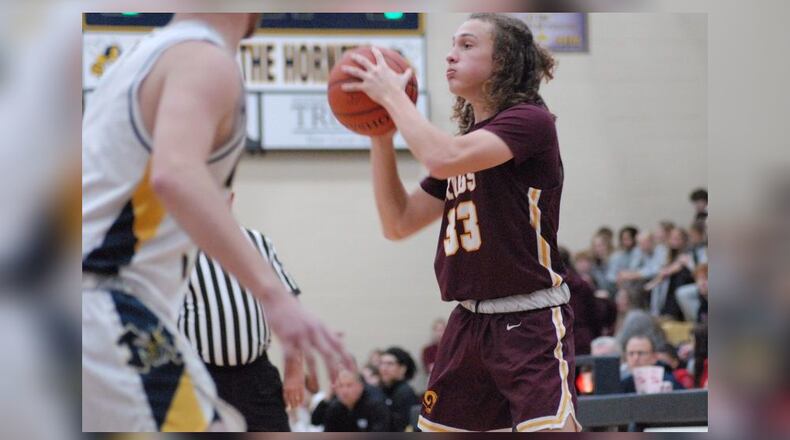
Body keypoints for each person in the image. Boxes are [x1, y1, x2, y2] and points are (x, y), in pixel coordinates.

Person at [82, 14, 350, 431]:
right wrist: (275, 299)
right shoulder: (204, 59)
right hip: (109, 311)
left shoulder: (138, 57)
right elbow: (175, 173)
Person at [342, 13, 579, 432]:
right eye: (451, 45)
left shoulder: (530, 122)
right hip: (467, 323)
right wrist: (379, 132)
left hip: (528, 320)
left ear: (503, 61)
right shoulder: (466, 146)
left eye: (467, 45)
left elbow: (442, 157)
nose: (451, 55)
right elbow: (398, 222)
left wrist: (394, 100)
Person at [178, 196, 305, 431]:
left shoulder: (258, 242)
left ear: (230, 198)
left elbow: (288, 307)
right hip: (200, 378)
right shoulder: (177, 248)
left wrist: (294, 371)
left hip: (255, 376)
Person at [323, 370, 391, 432]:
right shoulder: (335, 408)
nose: (344, 391)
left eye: (349, 385)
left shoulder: (375, 404)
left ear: (360, 387)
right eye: (340, 386)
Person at [620, 334, 684, 393]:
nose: (635, 358)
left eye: (641, 353)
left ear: (654, 357)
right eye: (631, 353)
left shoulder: (669, 382)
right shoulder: (622, 384)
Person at [378, 347, 419, 432]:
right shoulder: (382, 390)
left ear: (402, 368)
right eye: (381, 363)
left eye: (390, 364)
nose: (384, 368)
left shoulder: (405, 393)